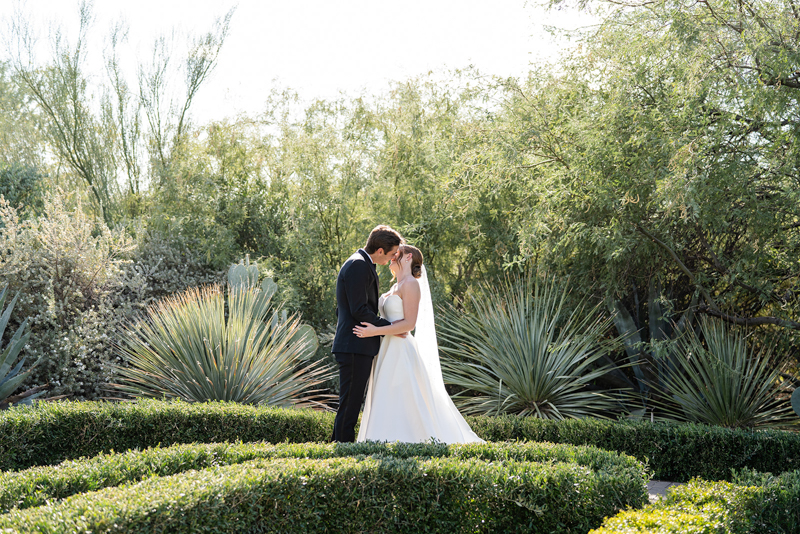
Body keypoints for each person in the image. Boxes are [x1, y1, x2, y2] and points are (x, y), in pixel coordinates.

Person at [353, 245, 483, 444]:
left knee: (402, 395)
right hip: (386, 348)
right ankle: (380, 440)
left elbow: (409, 324)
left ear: (408, 257)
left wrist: (374, 331)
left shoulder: (411, 284)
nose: (392, 257)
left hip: (400, 350)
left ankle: (409, 440)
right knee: (386, 396)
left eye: (397, 254)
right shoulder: (395, 286)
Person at [331, 225, 405, 443]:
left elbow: (345, 308)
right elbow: (358, 309)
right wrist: (390, 326)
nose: (392, 259)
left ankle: (337, 444)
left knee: (350, 401)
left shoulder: (361, 263)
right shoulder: (358, 265)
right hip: (355, 344)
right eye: (392, 254)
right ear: (380, 250)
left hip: (356, 343)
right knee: (351, 402)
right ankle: (342, 447)